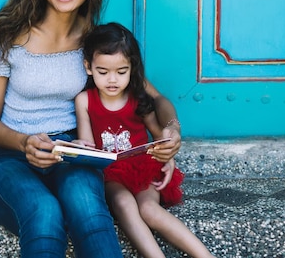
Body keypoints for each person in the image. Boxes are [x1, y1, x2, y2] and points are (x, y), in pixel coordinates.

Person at [0, 0, 182, 258]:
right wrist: (25, 142)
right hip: (11, 155)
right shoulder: (7, 34)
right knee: (44, 215)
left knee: (90, 214)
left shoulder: (95, 42)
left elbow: (157, 99)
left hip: (76, 152)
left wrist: (171, 132)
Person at [74, 22, 216, 258]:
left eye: (121, 72)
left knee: (149, 209)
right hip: (110, 173)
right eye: (103, 72)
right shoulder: (84, 101)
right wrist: (79, 147)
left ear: (132, 68)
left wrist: (167, 154)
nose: (112, 80)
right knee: (123, 203)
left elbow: (159, 137)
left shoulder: (137, 97)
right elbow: (89, 146)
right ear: (88, 67)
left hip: (143, 167)